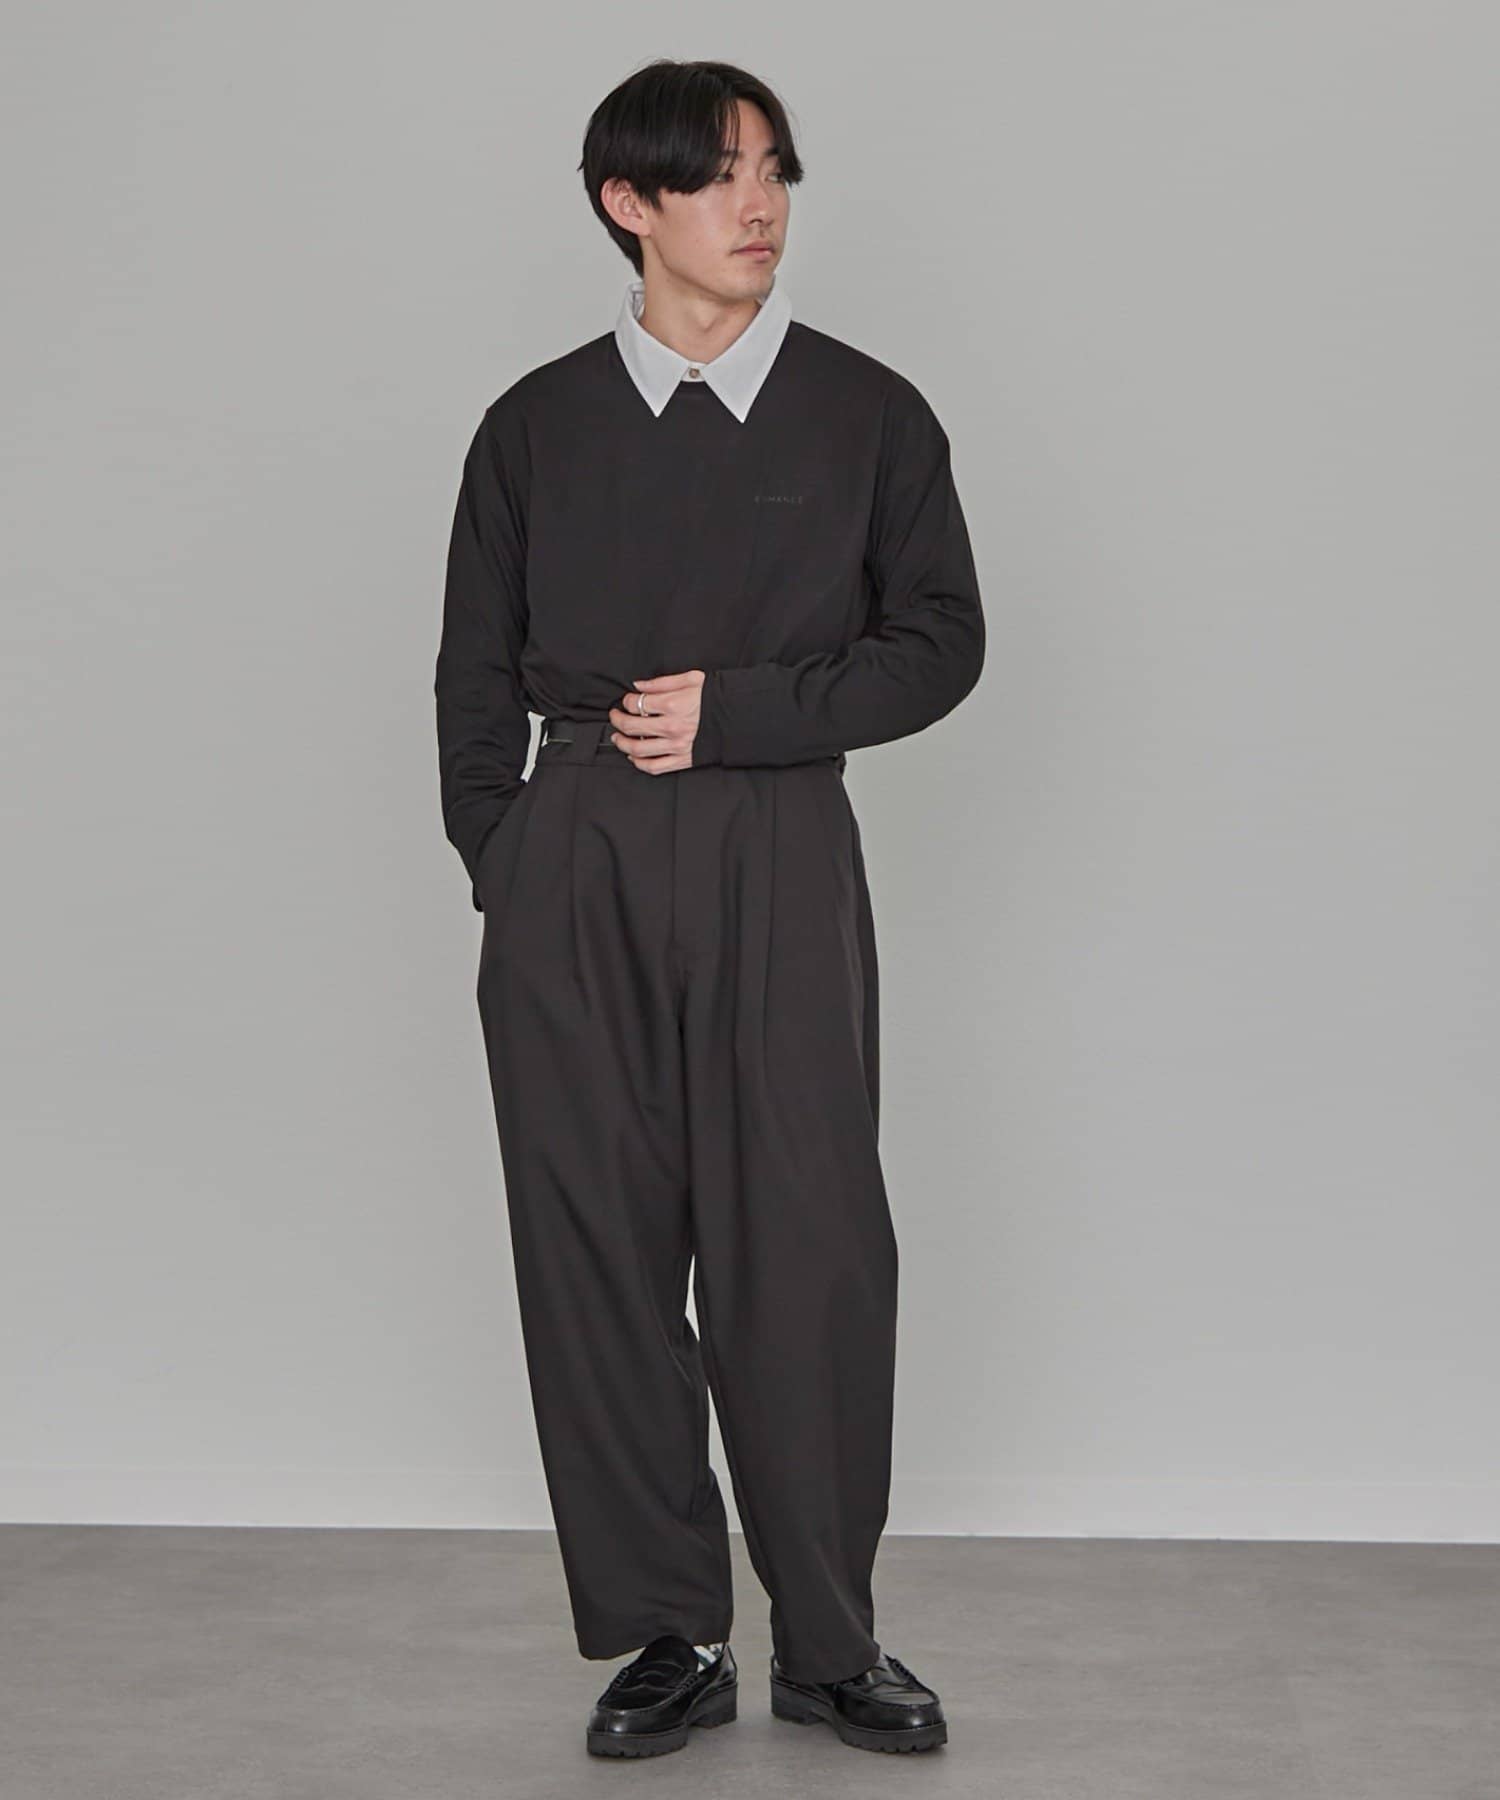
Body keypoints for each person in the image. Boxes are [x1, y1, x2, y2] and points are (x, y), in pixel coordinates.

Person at [434, 58, 984, 1759]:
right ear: (631, 204)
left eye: (776, 172)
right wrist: (512, 857)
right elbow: (470, 671)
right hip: (575, 860)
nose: (760, 205)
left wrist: (742, 716)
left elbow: (940, 641)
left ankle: (830, 1640)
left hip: (778, 844)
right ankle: (668, 1633)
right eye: (721, 175)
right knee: (594, 1251)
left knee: (805, 1250)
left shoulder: (866, 412)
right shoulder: (535, 426)